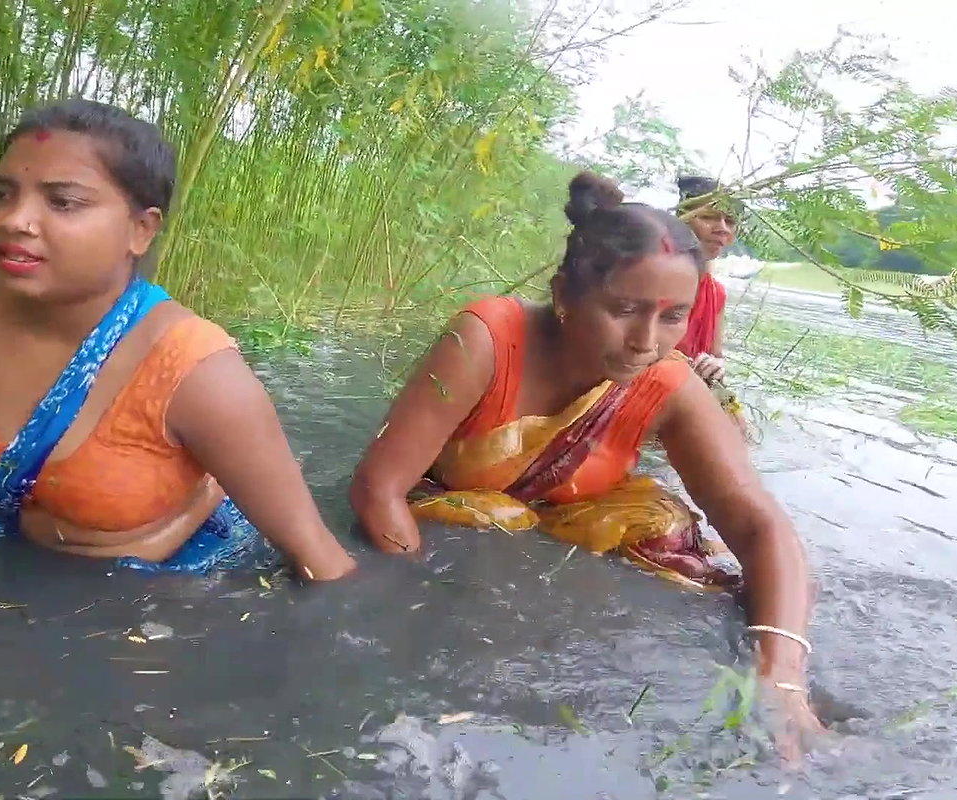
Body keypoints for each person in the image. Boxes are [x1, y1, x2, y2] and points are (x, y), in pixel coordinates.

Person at [349, 171, 823, 752]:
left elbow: (759, 526)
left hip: (584, 514)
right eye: (624, 308)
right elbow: (379, 490)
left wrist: (781, 679)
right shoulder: (487, 341)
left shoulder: (666, 382)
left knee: (700, 556)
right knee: (493, 526)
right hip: (463, 513)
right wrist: (414, 598)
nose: (645, 341)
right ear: (563, 295)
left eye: (673, 316)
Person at [0, 99, 355, 583]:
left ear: (141, 230)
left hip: (180, 601)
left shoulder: (195, 374)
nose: (14, 220)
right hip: (16, 573)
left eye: (62, 202)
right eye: (1, 195)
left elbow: (316, 555)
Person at [674, 175, 736, 384]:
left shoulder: (716, 293)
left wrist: (715, 365)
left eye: (729, 221)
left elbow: (716, 355)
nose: (722, 229)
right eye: (708, 217)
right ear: (681, 218)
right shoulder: (653, 277)